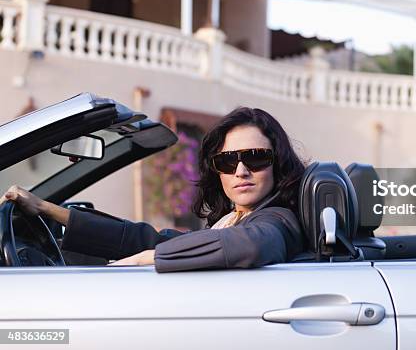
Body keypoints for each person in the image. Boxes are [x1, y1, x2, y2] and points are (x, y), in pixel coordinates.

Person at [1, 107, 306, 272]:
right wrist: (45, 208)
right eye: (228, 161)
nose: (241, 170)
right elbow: (150, 238)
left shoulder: (278, 220)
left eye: (255, 157)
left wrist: (144, 259)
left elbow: (251, 246)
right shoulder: (236, 219)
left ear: (277, 163)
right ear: (217, 170)